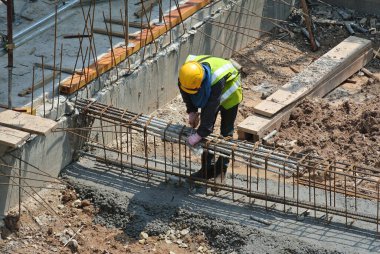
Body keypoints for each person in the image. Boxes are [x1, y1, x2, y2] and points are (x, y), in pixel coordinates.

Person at [178, 54, 243, 183]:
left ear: (201, 84)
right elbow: (186, 93)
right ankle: (206, 169)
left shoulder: (215, 80)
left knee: (226, 133)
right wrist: (191, 111)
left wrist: (199, 134)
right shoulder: (186, 74)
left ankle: (221, 170)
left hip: (230, 95)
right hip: (212, 91)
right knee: (207, 135)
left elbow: (210, 110)